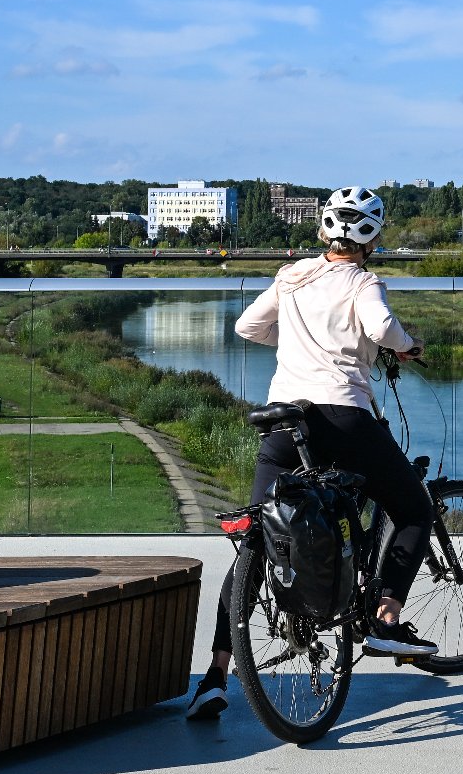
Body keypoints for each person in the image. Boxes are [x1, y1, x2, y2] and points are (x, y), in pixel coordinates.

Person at [186, 186, 435, 720]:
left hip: (283, 419)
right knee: (413, 508)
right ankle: (385, 620)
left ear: (324, 230)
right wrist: (407, 346)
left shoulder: (292, 276)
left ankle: (216, 674)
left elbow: (247, 326)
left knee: (256, 535)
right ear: (373, 238)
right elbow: (380, 327)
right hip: (344, 416)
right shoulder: (364, 281)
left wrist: (294, 343)